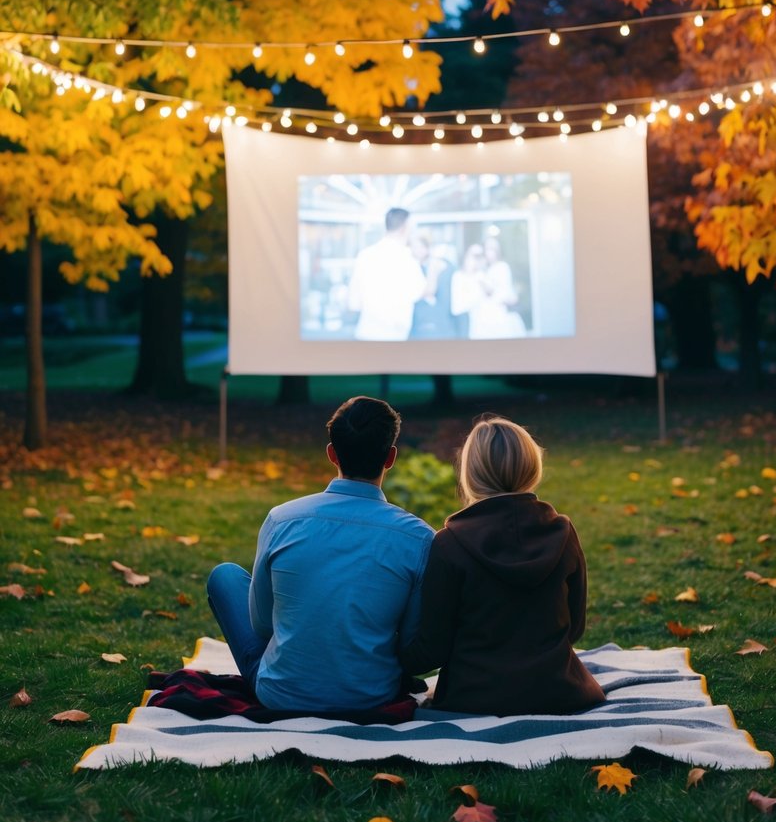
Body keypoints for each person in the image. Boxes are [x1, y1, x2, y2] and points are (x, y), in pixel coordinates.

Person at [206, 396, 434, 712]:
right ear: (390, 457)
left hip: (281, 694)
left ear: (331, 454)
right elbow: (410, 642)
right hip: (371, 695)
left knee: (226, 576)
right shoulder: (420, 538)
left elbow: (262, 626)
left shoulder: (282, 519)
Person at [399, 416, 605, 716]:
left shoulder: (449, 544)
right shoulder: (563, 533)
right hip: (560, 693)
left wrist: (385, 655)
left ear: (471, 473)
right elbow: (574, 628)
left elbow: (433, 647)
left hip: (473, 699)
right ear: (532, 466)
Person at [347, 207, 427, 340]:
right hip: (393, 339)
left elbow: (353, 303)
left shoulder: (365, 256)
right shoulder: (407, 259)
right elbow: (420, 292)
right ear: (405, 228)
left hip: (365, 335)